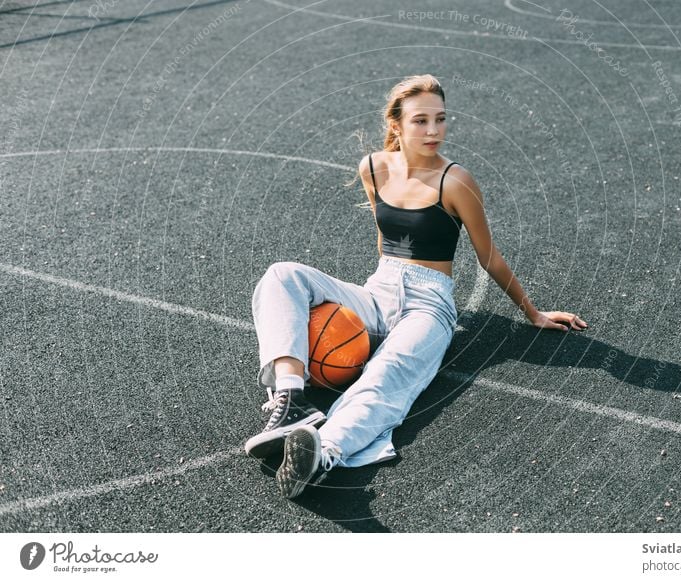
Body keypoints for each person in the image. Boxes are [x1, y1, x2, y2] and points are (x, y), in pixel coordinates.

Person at [245, 74, 588, 499]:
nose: (433, 131)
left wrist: (532, 313)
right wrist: (368, 301)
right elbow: (383, 237)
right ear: (397, 125)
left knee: (386, 377)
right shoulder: (372, 167)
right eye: (421, 121)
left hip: (429, 306)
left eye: (441, 120)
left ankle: (323, 453)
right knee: (283, 274)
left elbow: (489, 257)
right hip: (378, 290)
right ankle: (291, 400)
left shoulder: (456, 181)